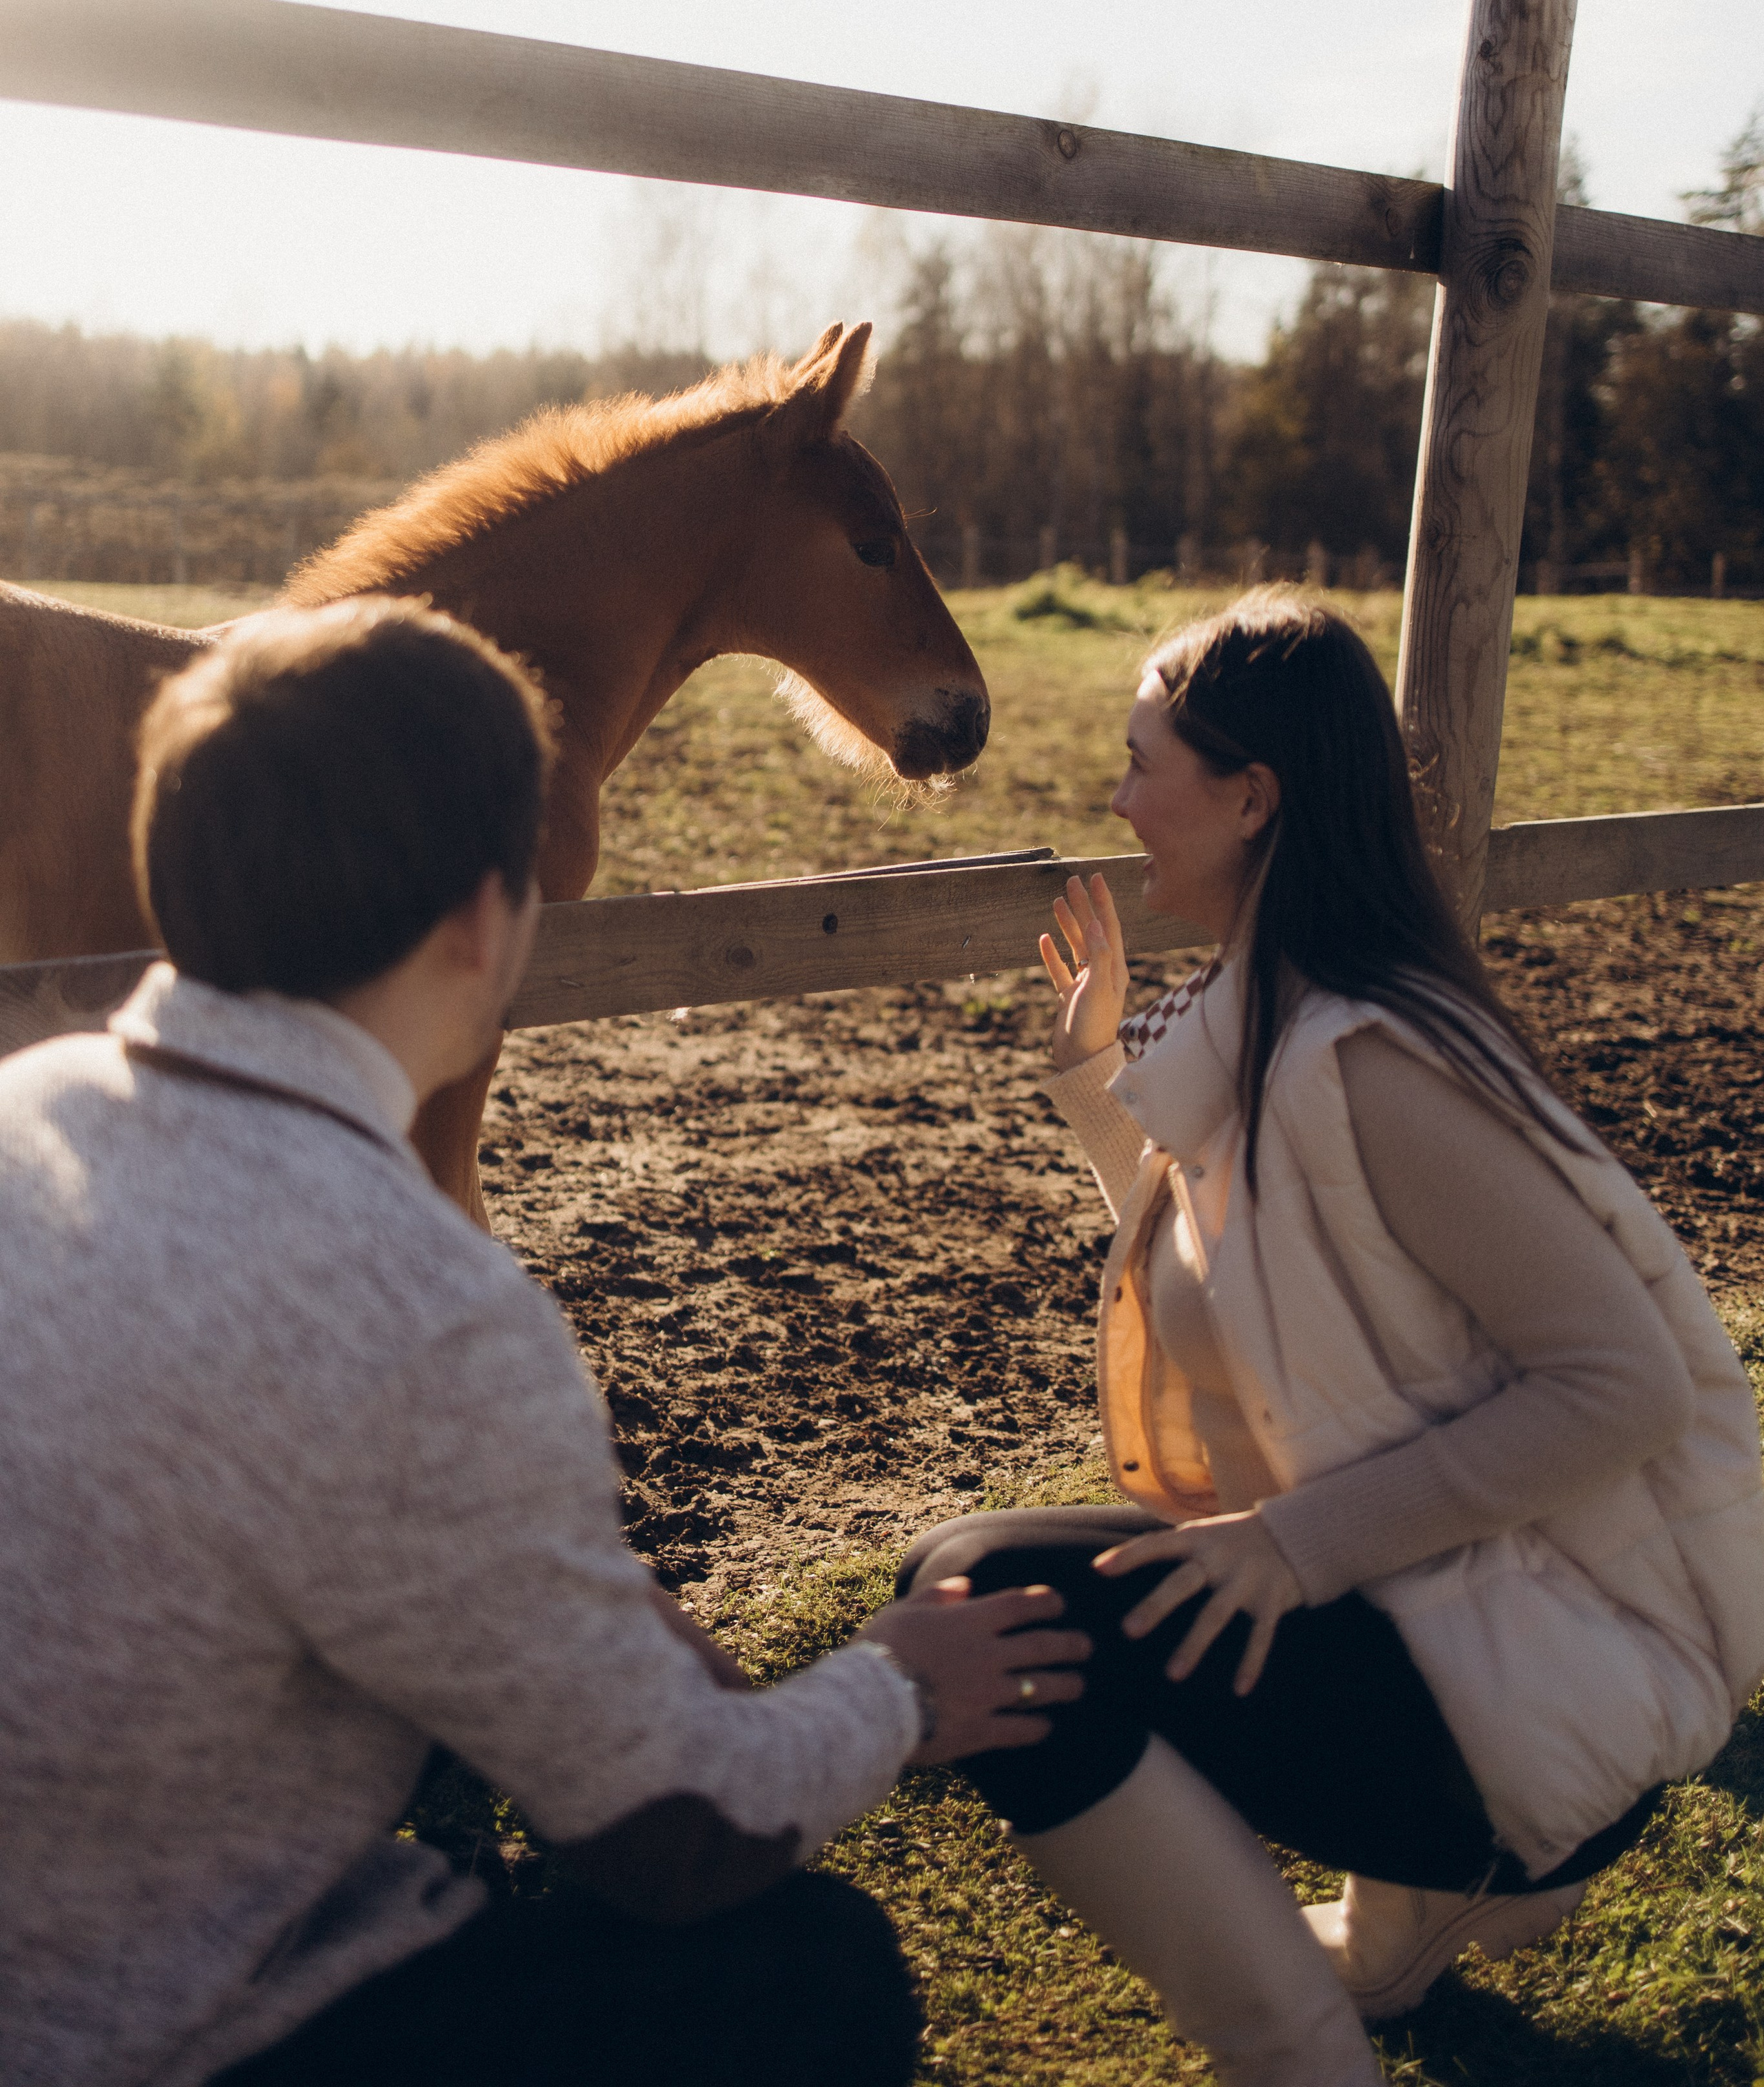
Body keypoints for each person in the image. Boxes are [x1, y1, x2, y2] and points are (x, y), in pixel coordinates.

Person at [0, 596, 1089, 2087]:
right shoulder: (422, 1303)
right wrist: (891, 1688)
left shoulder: (31, 1109)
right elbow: (677, 1835)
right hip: (124, 2038)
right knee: (807, 1979)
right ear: (478, 922)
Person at [898, 590, 1764, 2087]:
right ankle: (1394, 1943)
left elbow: (1614, 1387)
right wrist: (1096, 1082)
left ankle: (1302, 2052)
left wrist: (1290, 1547)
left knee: (990, 1607)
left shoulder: (1368, 1059)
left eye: (1139, 759)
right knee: (975, 1582)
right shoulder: (1274, 1025)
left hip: (1541, 1679)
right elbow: (1244, 1291)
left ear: (1249, 796)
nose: (1115, 799)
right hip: (1457, 1635)